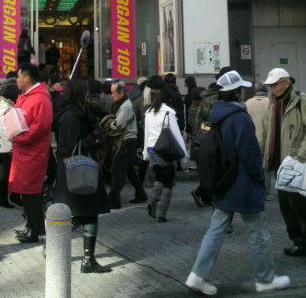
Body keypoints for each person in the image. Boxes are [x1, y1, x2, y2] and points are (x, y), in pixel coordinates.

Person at [185, 70, 290, 295]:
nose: (243, 92)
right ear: (236, 93)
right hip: (244, 185)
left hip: (224, 183)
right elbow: (251, 157)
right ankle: (265, 279)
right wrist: (259, 178)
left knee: (215, 231)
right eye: (241, 89)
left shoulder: (217, 115)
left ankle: (197, 275)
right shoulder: (239, 118)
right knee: (258, 233)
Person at [54, 79, 112, 273]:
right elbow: (73, 145)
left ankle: (86, 258)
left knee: (83, 214)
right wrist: (92, 136)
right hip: (78, 169)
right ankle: (85, 259)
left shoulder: (71, 113)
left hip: (73, 169)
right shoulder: (71, 116)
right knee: (85, 213)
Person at [260, 67, 306, 257]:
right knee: (286, 207)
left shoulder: (301, 102)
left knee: (300, 205)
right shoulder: (272, 105)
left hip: (297, 164)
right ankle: (298, 241)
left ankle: (302, 242)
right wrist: (263, 156)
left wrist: (302, 154)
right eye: (270, 85)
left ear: (286, 83)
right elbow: (265, 133)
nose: (272, 88)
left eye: (275, 84)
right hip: (280, 165)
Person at [9, 63, 52, 244]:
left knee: (31, 194)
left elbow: (40, 127)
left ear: (27, 78)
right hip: (22, 152)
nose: (16, 80)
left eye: (18, 76)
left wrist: (20, 139)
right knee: (25, 193)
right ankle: (32, 229)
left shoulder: (40, 99)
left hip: (32, 154)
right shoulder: (24, 97)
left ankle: (39, 231)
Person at [143, 76, 186, 222]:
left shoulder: (149, 112)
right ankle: (162, 213)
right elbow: (176, 134)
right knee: (168, 181)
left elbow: (146, 133)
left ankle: (153, 202)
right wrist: (183, 153)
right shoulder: (168, 113)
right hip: (165, 150)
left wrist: (145, 152)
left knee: (159, 177)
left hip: (152, 149)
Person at [108, 80, 147, 208]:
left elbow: (118, 124)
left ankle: (114, 200)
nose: (112, 95)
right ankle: (140, 193)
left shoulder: (125, 106)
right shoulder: (122, 103)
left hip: (126, 140)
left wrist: (108, 124)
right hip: (129, 139)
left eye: (113, 92)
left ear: (121, 92)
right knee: (129, 170)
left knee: (117, 169)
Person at [0, 82, 20, 208]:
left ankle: (9, 197)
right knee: (7, 176)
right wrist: (12, 138)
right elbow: (2, 126)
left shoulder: (1, 105)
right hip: (6, 146)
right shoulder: (8, 108)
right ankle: (4, 199)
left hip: (1, 145)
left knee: (6, 175)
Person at [245, 83, 274, 201]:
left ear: (255, 90)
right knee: (266, 167)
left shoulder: (247, 103)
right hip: (267, 140)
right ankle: (266, 192)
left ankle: (251, 190)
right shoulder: (271, 103)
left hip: (250, 140)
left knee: (250, 165)